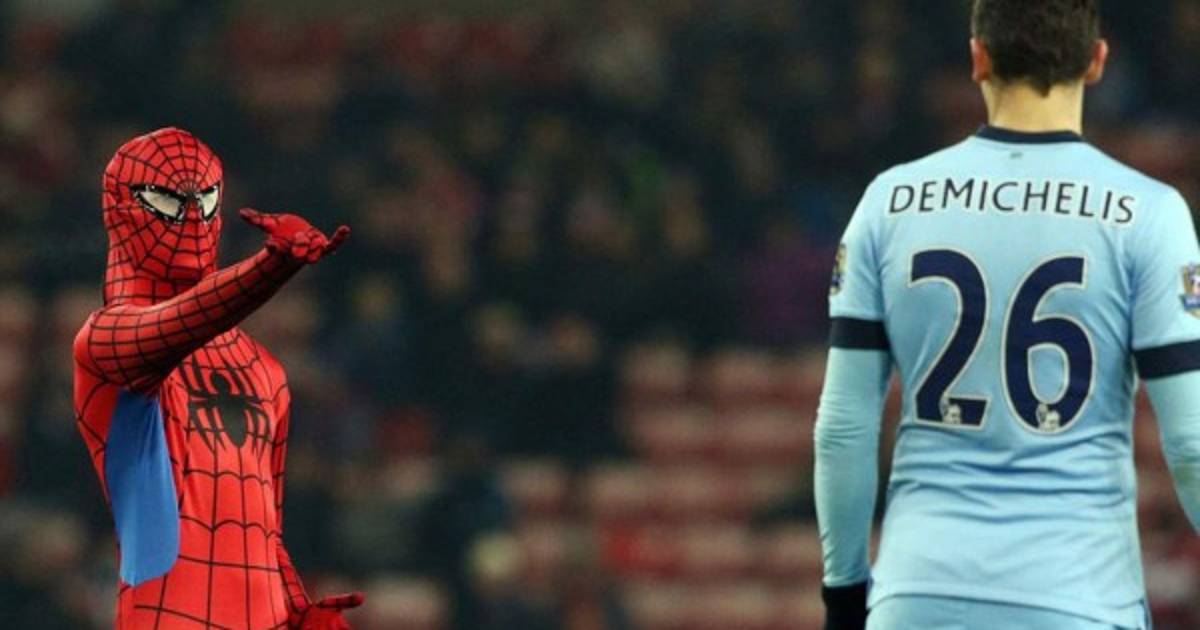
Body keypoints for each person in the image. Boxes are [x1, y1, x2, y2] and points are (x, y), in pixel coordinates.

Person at [813, 2, 1200, 629]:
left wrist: (843, 596)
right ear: (1097, 61)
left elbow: (843, 429)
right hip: (1076, 596)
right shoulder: (1148, 213)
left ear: (978, 58)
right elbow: (1191, 444)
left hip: (918, 593)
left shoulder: (890, 201)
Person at [73, 127, 362, 629]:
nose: (191, 219)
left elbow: (265, 527)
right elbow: (179, 324)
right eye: (167, 200)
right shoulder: (103, 343)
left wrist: (300, 609)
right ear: (118, 207)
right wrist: (272, 266)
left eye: (205, 200)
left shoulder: (264, 370)